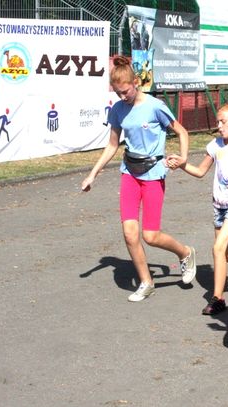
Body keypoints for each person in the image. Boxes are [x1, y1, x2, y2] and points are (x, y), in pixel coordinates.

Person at [81, 55, 196, 302]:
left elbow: (181, 131)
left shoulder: (155, 106)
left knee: (151, 236)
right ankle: (146, 282)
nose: (122, 96)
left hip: (153, 174)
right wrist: (93, 174)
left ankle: (185, 253)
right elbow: (112, 146)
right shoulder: (118, 110)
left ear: (136, 82)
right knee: (130, 233)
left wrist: (184, 159)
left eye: (125, 91)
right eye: (117, 93)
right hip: (129, 173)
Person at [177, 103, 228, 315]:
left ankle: (218, 299)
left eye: (223, 121)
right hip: (219, 205)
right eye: (217, 121)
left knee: (217, 248)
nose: (219, 126)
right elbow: (200, 171)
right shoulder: (215, 145)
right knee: (225, 253)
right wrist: (181, 164)